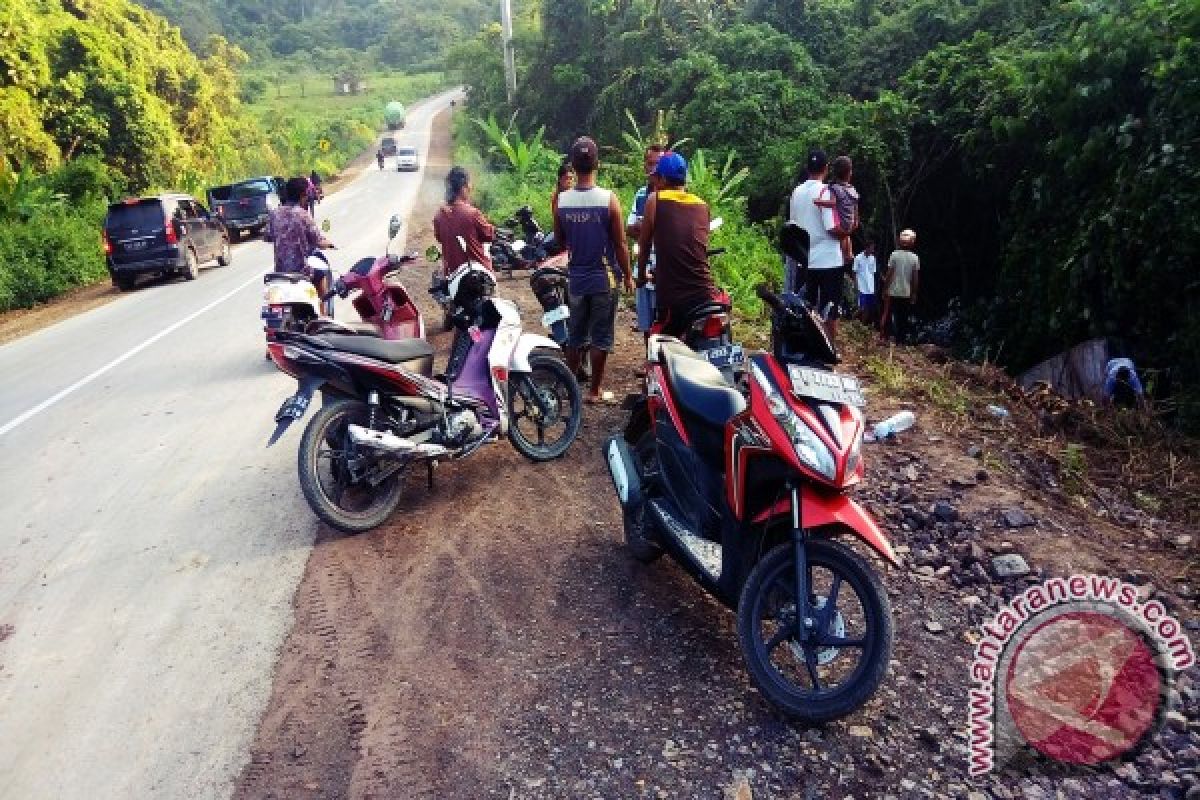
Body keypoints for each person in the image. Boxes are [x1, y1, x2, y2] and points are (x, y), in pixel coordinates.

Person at [553, 136, 632, 404]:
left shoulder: (562, 201)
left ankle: (570, 387)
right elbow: (621, 243)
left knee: (576, 335)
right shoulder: (609, 200)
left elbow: (560, 241)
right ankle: (595, 391)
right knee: (601, 336)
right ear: (597, 163)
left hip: (576, 278)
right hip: (604, 277)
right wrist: (629, 275)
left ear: (573, 166)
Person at [636, 152, 717, 338]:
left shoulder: (655, 200)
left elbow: (645, 243)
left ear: (662, 178)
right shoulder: (702, 205)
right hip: (704, 293)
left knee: (663, 344)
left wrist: (641, 276)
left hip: (673, 297)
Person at [788, 149, 844, 339]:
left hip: (805, 259)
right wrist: (847, 232)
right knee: (830, 309)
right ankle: (829, 349)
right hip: (829, 260)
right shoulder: (825, 191)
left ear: (807, 168)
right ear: (826, 168)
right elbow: (831, 227)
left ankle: (808, 347)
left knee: (806, 307)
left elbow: (793, 225)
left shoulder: (797, 192)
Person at [264, 176, 334, 298]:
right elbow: (319, 241)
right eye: (307, 194)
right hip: (302, 271)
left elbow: (267, 236)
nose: (307, 197)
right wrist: (329, 243)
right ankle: (323, 312)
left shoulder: (275, 214)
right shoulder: (303, 214)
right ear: (303, 194)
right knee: (321, 274)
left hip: (281, 272)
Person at [627, 144, 665, 337]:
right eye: (650, 163)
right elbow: (630, 228)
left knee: (665, 323)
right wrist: (648, 229)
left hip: (665, 270)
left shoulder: (671, 196)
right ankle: (650, 363)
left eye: (657, 164)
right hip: (643, 266)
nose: (653, 169)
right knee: (646, 324)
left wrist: (645, 227)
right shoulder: (641, 194)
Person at [433, 166, 494, 276]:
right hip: (477, 275)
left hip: (452, 275)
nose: (471, 188)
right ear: (463, 187)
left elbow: (439, 238)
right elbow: (489, 235)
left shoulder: (439, 215)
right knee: (492, 289)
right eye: (469, 184)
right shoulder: (472, 213)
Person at [817, 155, 859, 266]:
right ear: (849, 173)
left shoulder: (834, 188)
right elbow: (855, 208)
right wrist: (855, 222)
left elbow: (833, 203)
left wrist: (818, 202)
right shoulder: (852, 189)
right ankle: (849, 254)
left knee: (840, 236)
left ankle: (844, 256)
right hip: (851, 222)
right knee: (847, 236)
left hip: (841, 223)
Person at [880, 229, 920, 344]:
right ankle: (900, 340)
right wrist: (914, 293)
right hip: (906, 293)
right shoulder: (915, 258)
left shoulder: (894, 255)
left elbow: (889, 274)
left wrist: (884, 289)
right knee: (903, 317)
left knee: (889, 314)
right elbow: (915, 278)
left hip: (893, 291)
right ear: (912, 242)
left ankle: (885, 338)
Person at [852, 241, 877, 323]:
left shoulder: (873, 258)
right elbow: (854, 272)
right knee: (861, 307)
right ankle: (850, 319)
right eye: (871, 248)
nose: (873, 250)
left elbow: (873, 272)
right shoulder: (858, 258)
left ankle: (862, 325)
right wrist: (855, 285)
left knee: (867, 308)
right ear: (867, 247)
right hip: (861, 286)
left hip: (870, 286)